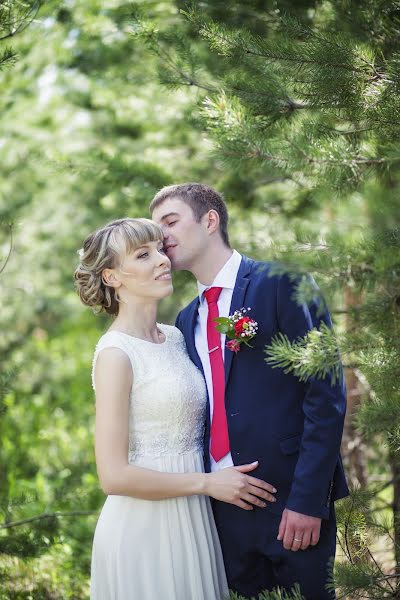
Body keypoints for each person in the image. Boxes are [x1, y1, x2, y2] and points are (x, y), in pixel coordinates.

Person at [151, 184, 350, 600]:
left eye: (170, 221)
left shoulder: (283, 283)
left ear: (210, 220)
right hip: (223, 511)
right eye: (156, 228)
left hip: (290, 500)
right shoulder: (188, 320)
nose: (162, 236)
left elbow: (326, 397)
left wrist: (308, 502)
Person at [74, 217, 278, 600]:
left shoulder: (174, 337)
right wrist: (207, 484)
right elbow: (113, 476)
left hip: (194, 520)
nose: (163, 260)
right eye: (142, 254)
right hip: (144, 526)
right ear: (112, 276)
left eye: (160, 249)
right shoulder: (116, 354)